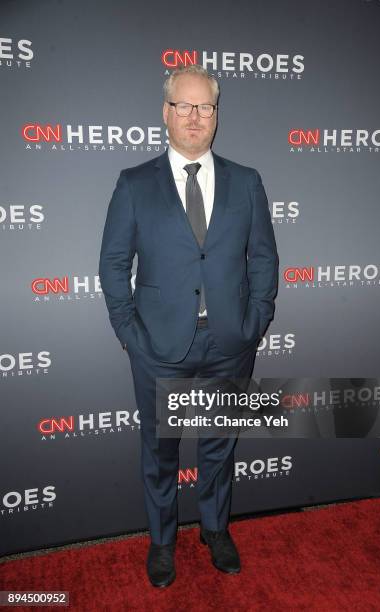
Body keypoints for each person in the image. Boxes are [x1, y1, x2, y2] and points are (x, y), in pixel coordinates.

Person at [98, 64, 279, 587]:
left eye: (205, 107)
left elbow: (263, 258)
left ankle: (215, 529)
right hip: (158, 345)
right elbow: (113, 265)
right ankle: (162, 540)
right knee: (160, 451)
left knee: (221, 442)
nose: (195, 117)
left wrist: (257, 317)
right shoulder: (134, 184)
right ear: (166, 113)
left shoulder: (247, 182)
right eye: (185, 106)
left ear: (216, 115)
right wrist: (132, 335)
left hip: (230, 341)